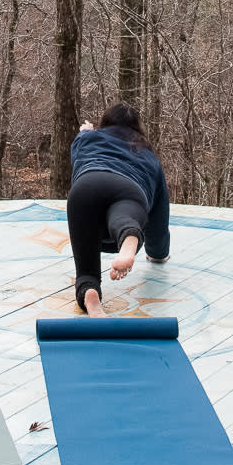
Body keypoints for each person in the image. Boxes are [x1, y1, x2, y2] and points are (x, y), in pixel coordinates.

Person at [66, 102, 172, 315]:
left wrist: (85, 132)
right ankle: (129, 236)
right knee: (125, 218)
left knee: (86, 271)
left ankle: (89, 292)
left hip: (85, 187)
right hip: (128, 189)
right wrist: (158, 254)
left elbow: (78, 144)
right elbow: (159, 221)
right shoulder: (148, 156)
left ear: (104, 124)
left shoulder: (87, 139)